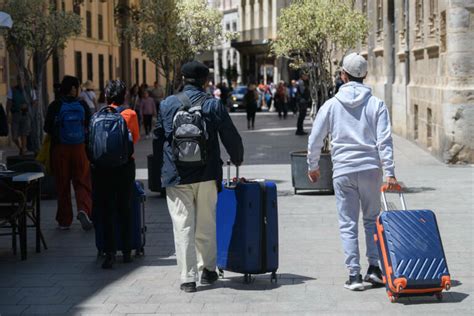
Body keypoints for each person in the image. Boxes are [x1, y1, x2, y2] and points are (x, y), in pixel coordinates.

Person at [307, 52, 398, 291]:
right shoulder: (376, 104)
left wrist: (312, 166)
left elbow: (315, 137)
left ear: (342, 75)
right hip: (370, 169)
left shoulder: (331, 105)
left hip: (344, 170)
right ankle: (375, 269)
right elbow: (385, 140)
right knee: (371, 220)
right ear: (365, 75)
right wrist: (390, 172)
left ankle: (354, 275)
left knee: (347, 223)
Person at [155, 61, 244, 293]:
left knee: (183, 225)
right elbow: (229, 135)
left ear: (182, 79)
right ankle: (208, 270)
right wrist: (237, 157)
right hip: (206, 173)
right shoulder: (213, 105)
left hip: (176, 175)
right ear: (205, 81)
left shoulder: (167, 104)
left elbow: (159, 137)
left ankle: (187, 278)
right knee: (206, 223)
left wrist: (160, 174)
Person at [91, 80, 140, 269]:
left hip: (102, 168)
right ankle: (127, 251)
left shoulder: (97, 116)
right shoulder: (130, 114)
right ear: (124, 95)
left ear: (106, 95)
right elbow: (134, 139)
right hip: (125, 166)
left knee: (107, 209)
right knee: (125, 207)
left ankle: (109, 252)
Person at [44, 75, 93, 231]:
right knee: (82, 182)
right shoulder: (83, 105)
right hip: (79, 149)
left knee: (62, 184)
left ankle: (64, 220)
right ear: (73, 89)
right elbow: (90, 125)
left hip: (60, 150)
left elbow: (47, 128)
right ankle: (83, 209)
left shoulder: (55, 106)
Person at [6, 76, 36, 155]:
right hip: (15, 114)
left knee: (24, 133)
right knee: (14, 136)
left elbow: (35, 101)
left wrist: (28, 106)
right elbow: (9, 103)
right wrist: (7, 114)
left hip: (26, 114)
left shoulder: (30, 90)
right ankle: (20, 148)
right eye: (19, 80)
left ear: (25, 81)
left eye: (22, 80)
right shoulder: (12, 90)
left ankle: (23, 150)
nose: (20, 82)